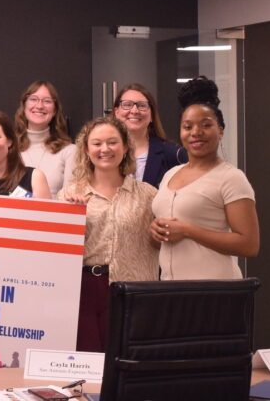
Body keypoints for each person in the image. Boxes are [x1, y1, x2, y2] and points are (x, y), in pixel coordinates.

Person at [58, 117, 158, 352]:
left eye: (113, 142)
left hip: (134, 293)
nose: (105, 149)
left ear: (125, 147)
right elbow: (58, 253)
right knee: (89, 365)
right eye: (97, 143)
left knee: (130, 362)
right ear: (86, 149)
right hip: (86, 291)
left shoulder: (149, 195)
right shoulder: (68, 195)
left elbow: (163, 241)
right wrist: (71, 218)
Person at [150, 77, 259, 280]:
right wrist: (155, 231)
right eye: (188, 126)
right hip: (171, 290)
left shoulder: (231, 178)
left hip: (215, 291)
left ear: (221, 131)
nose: (196, 133)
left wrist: (188, 230)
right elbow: (163, 240)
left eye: (206, 125)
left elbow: (249, 245)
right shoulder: (170, 175)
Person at [112, 83, 187, 187]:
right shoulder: (104, 153)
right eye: (127, 104)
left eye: (142, 105)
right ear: (116, 112)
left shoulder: (173, 154)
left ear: (151, 115)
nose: (134, 111)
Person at [13, 81, 76, 196]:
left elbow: (69, 200)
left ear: (55, 110)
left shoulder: (70, 151)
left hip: (55, 214)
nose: (39, 106)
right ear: (24, 105)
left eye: (47, 101)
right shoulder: (8, 149)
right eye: (33, 99)